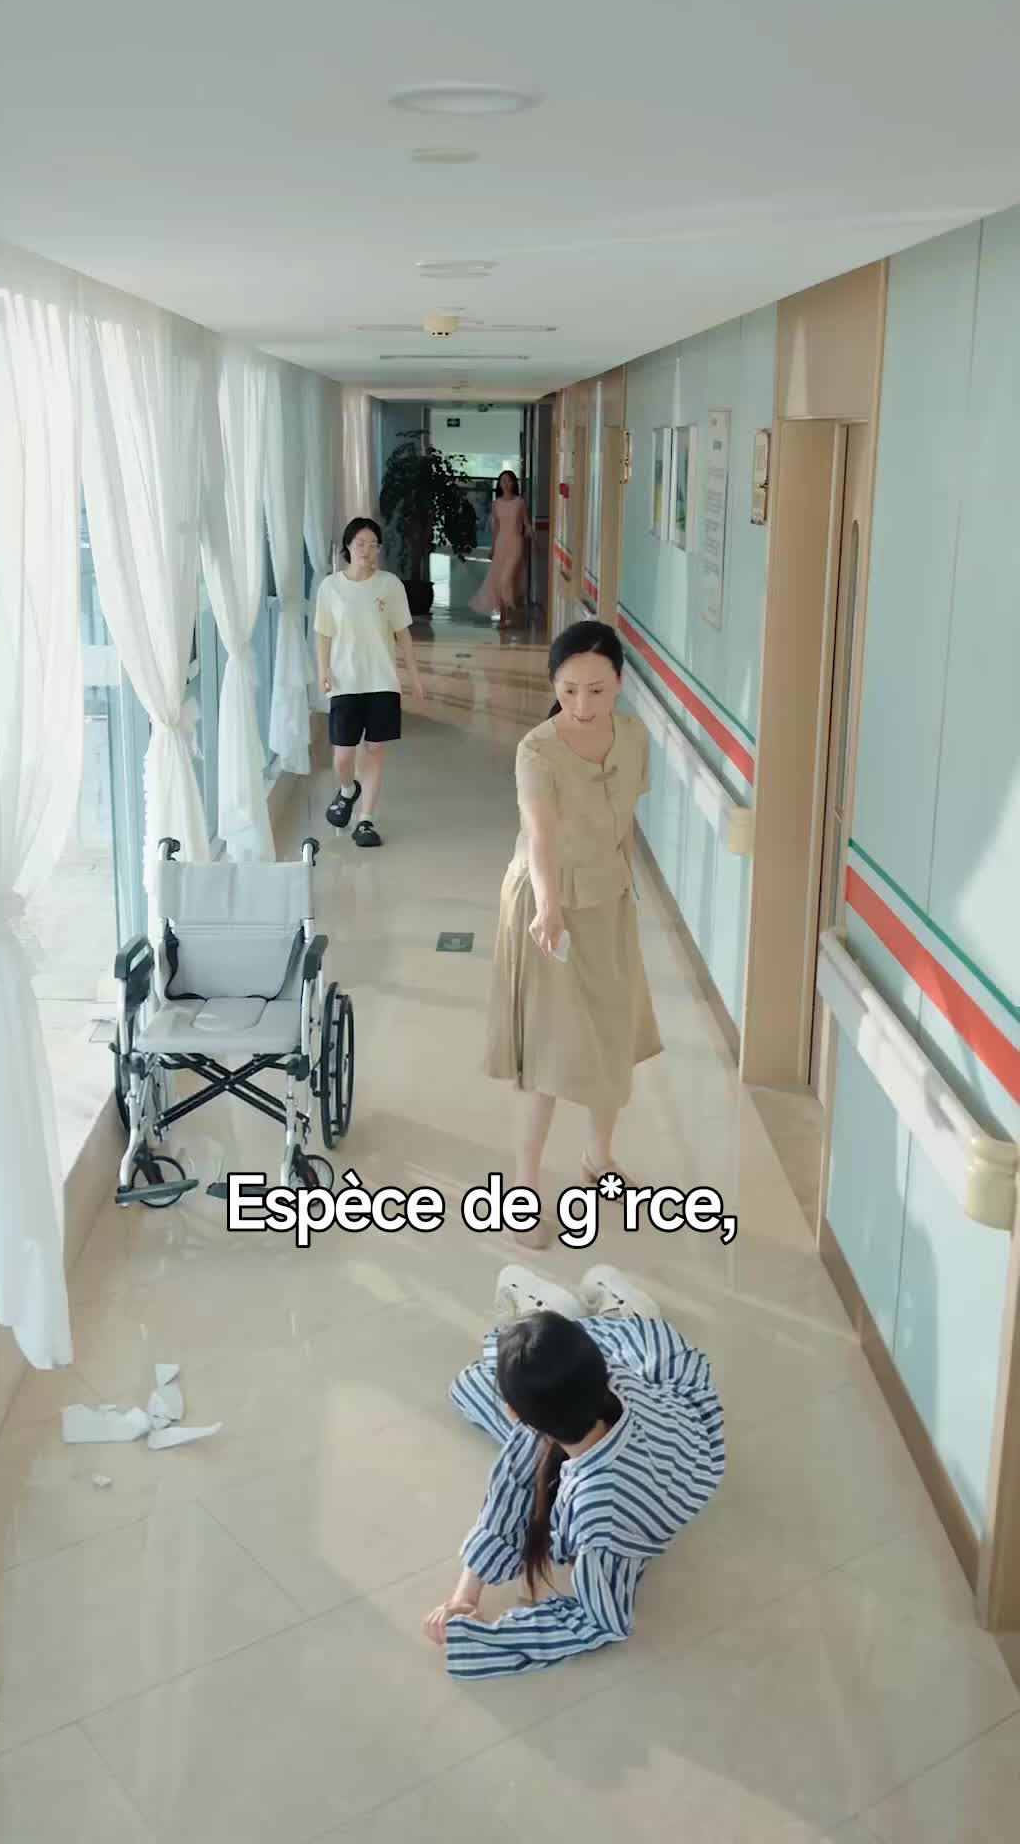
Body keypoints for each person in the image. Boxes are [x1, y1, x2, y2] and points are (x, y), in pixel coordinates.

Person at [422, 1264, 725, 1677]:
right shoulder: (600, 1383)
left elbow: (601, 1619)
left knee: (469, 1387)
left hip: (660, 1434)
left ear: (517, 1416)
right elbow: (515, 1485)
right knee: (478, 1386)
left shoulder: (602, 1515)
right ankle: (587, 1322)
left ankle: (614, 1314)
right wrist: (465, 1596)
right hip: (662, 1409)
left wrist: (484, 1638)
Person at [485, 620, 662, 1244]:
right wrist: (549, 907)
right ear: (553, 686)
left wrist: (621, 884)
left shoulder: (634, 738)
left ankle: (597, 1159)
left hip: (607, 898)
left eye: (597, 690)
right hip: (547, 907)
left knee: (612, 1035)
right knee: (549, 1053)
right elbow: (541, 834)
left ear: (620, 683)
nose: (582, 705)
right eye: (568, 691)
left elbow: (623, 820)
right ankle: (524, 1192)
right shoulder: (536, 750)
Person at [314, 517, 425, 849]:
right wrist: (323, 670)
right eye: (360, 543)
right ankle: (348, 790)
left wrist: (414, 675)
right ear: (348, 546)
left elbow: (403, 633)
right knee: (343, 756)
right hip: (345, 681)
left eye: (373, 545)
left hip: (382, 681)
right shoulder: (330, 588)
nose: (366, 550)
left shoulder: (390, 585)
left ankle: (365, 819)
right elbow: (323, 634)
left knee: (375, 750)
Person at [470, 470, 532, 626]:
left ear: (514, 483)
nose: (506, 484)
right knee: (499, 580)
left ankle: (512, 610)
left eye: (509, 481)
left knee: (506, 579)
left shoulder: (520, 502)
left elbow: (526, 523)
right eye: (503, 481)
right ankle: (504, 617)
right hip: (501, 544)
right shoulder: (496, 504)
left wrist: (530, 534)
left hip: (516, 544)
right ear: (499, 484)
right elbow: (496, 529)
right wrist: (492, 548)